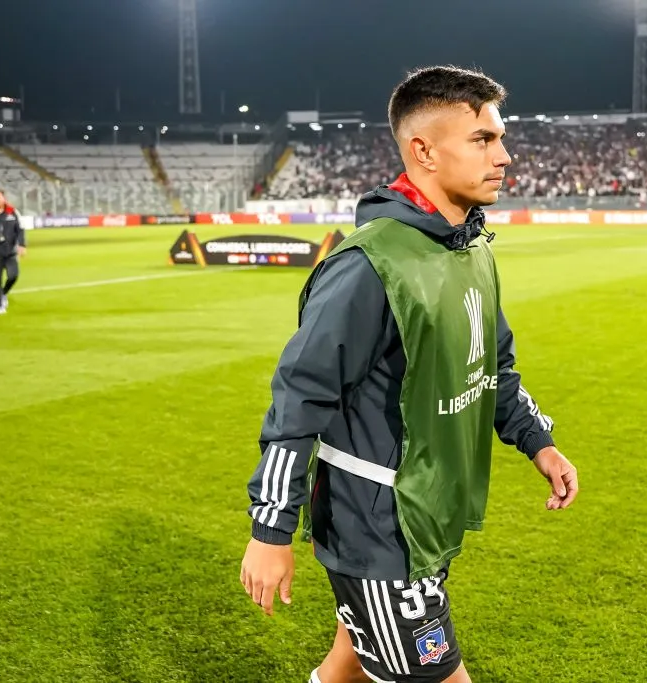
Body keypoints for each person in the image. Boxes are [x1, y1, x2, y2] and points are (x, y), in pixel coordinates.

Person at [240, 66, 579, 683]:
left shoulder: (469, 249)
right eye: (482, 139)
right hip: (379, 529)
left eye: (499, 137)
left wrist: (539, 441)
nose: (504, 155)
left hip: (427, 512)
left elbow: (493, 364)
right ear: (423, 150)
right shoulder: (371, 266)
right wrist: (270, 532)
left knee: (346, 665)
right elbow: (300, 399)